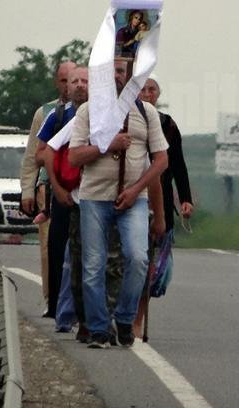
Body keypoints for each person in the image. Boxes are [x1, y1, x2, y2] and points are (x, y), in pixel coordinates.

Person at [68, 63, 168, 349]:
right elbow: (74, 158)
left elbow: (161, 160)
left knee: (138, 258)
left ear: (132, 74)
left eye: (122, 70)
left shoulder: (145, 113)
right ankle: (99, 328)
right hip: (94, 199)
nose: (116, 75)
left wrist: (137, 189)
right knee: (93, 265)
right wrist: (107, 145)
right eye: (111, 69)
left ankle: (124, 318)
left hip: (133, 200)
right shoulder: (88, 111)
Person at [20, 60, 75, 312]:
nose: (69, 86)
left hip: (79, 187)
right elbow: (33, 154)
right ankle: (51, 299)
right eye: (64, 81)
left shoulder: (91, 111)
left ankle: (71, 300)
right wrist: (27, 190)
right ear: (57, 82)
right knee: (48, 247)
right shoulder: (47, 113)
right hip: (48, 187)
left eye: (73, 80)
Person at [35, 65, 88, 320]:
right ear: (65, 86)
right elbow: (41, 152)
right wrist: (57, 184)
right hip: (63, 193)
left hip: (93, 194)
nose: (79, 85)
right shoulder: (58, 116)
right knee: (57, 248)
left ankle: (83, 307)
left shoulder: (103, 114)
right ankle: (55, 304)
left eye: (85, 81)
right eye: (74, 81)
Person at [139, 75, 193, 233]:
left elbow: (178, 164)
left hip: (163, 193)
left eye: (152, 89)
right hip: (134, 192)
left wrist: (185, 198)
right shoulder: (126, 121)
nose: (147, 94)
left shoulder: (168, 125)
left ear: (158, 93)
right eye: (142, 89)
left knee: (162, 243)